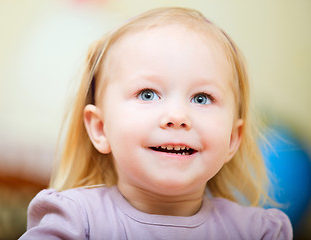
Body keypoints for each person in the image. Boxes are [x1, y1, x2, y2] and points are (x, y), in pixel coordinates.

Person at [20, 7, 292, 239]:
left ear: (233, 138)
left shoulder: (258, 232)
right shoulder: (75, 221)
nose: (177, 117)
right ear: (100, 128)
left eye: (201, 98)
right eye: (148, 94)